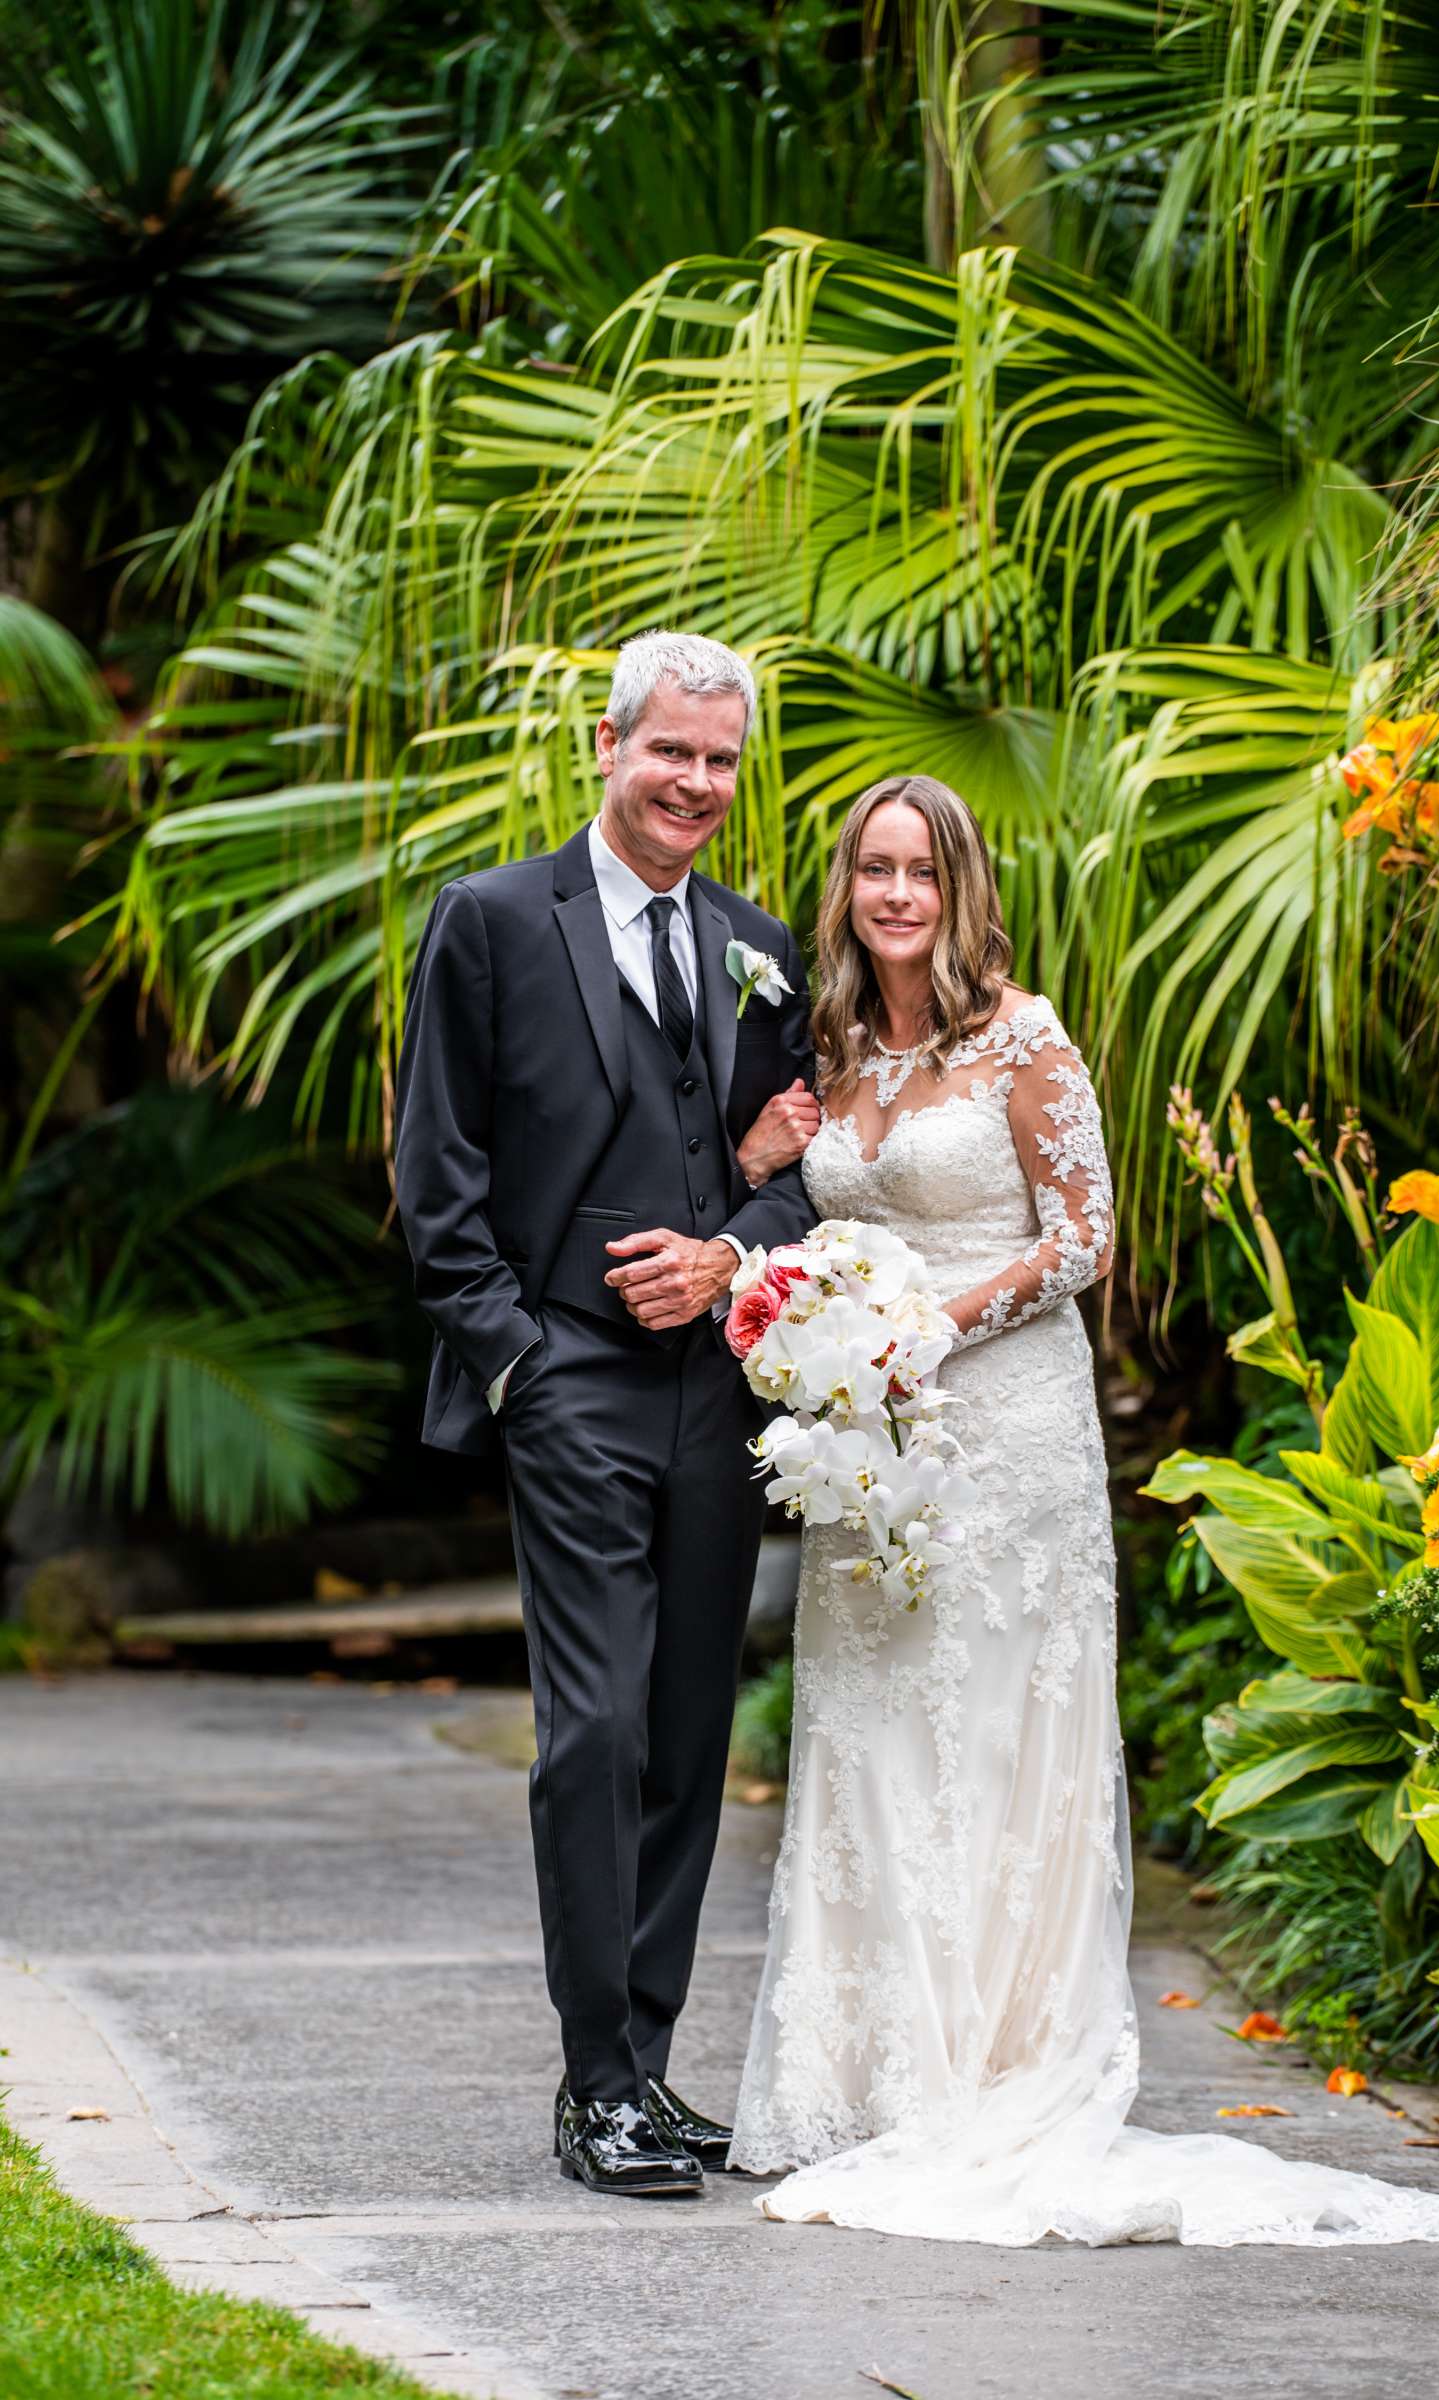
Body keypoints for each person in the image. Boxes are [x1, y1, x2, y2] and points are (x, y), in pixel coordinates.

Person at [725, 772, 1439, 2249]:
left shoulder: (1028, 1035)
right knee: (872, 1738)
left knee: (998, 1737)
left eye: (919, 871)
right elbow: (804, 1221)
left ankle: (1000, 2066)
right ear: (845, 889)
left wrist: (931, 1318)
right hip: (871, 1449)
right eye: (872, 869)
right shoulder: (826, 1049)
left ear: (961, 888)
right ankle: (866, 2080)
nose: (894, 896)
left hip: (1006, 1436)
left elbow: (1083, 1241)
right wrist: (793, 1258)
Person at [394, 630, 818, 2200]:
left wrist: (734, 1251)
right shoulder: (494, 922)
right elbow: (435, 1182)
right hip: (567, 1378)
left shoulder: (757, 947)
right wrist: (518, 1360)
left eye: (721, 762)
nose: (697, 785)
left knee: (693, 1729)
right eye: (672, 754)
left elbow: (790, 1189)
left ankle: (647, 2059)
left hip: (716, 1393)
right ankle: (593, 2087)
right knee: (596, 1727)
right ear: (609, 744)